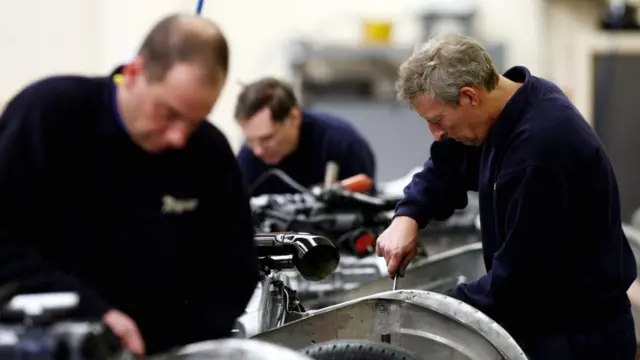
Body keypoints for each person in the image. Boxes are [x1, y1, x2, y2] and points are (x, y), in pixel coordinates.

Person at [0, 14, 259, 356]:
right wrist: (91, 312)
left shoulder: (208, 154)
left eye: (195, 121)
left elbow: (234, 268)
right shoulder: (50, 116)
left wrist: (183, 344)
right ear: (135, 72)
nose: (179, 137)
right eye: (169, 113)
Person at [375, 33, 637, 359]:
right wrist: (408, 216)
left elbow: (517, 282)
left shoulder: (540, 150)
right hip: (542, 323)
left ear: (470, 96)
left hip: (576, 340)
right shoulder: (507, 106)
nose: (437, 133)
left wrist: (424, 311)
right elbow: (447, 166)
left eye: (437, 120)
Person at [234, 77, 376, 196]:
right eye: (249, 140)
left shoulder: (342, 144)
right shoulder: (248, 157)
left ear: (294, 117)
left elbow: (368, 213)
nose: (258, 151)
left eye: (267, 139)